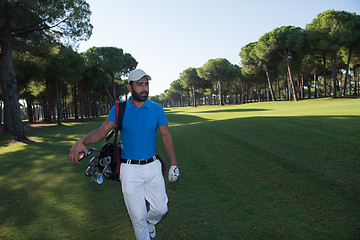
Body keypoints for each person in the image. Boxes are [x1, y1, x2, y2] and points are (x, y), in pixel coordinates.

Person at [69, 69, 179, 240]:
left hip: (153, 167)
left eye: (146, 84)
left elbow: (166, 136)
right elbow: (101, 131)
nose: (144, 88)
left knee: (160, 209)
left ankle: (151, 222)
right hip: (129, 170)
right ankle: (144, 228)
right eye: (139, 84)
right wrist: (81, 141)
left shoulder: (156, 108)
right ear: (130, 87)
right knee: (137, 219)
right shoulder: (119, 109)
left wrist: (174, 164)